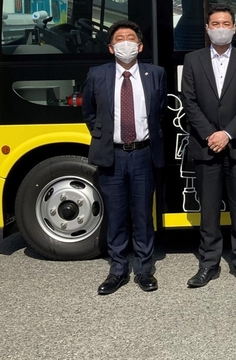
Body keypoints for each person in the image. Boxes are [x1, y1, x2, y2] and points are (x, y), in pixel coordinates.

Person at [82, 20, 167, 295]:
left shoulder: (155, 74)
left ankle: (144, 270)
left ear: (140, 46)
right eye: (120, 39)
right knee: (116, 215)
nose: (125, 43)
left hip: (143, 154)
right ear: (111, 47)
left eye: (131, 38)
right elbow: (89, 113)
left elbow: (160, 111)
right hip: (113, 155)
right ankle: (117, 270)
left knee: (143, 214)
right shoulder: (97, 75)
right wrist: (105, 136)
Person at [182, 5, 236, 287]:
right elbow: (189, 102)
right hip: (205, 147)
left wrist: (226, 133)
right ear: (207, 28)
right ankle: (209, 264)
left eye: (226, 23)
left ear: (234, 28)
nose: (221, 27)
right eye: (215, 23)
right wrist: (210, 135)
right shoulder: (193, 59)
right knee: (209, 210)